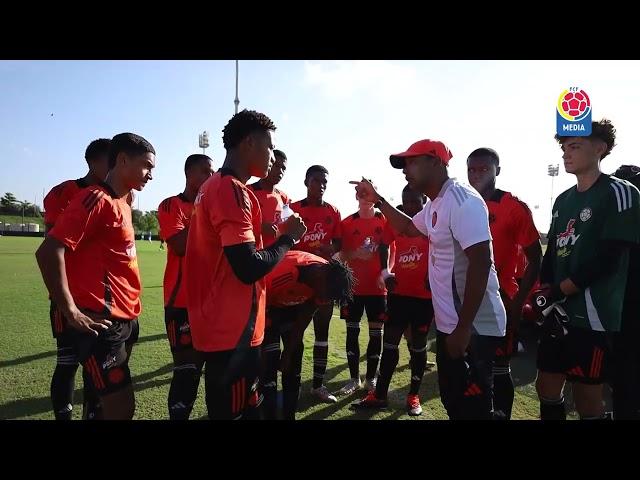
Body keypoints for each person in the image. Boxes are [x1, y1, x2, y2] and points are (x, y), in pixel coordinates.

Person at [351, 138, 506, 420]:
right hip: (454, 324)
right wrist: (379, 200)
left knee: (474, 409)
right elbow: (409, 228)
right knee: (453, 401)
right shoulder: (437, 203)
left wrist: (463, 328)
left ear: (436, 163)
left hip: (474, 327)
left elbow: (481, 264)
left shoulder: (462, 200)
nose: (405, 170)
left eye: (411, 162)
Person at [185, 109, 306, 420]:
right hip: (233, 331)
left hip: (222, 326)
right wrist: (288, 239)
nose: (272, 157)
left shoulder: (213, 185)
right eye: (269, 147)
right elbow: (248, 267)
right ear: (249, 143)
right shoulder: (231, 188)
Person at [36, 132, 156, 419]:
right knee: (120, 408)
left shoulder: (123, 202)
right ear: (123, 160)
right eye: (147, 166)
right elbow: (49, 251)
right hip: (103, 323)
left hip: (125, 318)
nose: (151, 175)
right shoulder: (95, 198)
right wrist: (71, 312)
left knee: (101, 405)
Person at [534, 120, 640, 420]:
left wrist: (559, 290)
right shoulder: (564, 200)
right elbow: (553, 252)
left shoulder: (621, 192)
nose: (566, 154)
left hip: (594, 318)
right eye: (565, 147)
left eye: (575, 146)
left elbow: (611, 258)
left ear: (599, 148)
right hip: (558, 311)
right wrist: (546, 292)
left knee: (587, 397)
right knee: (547, 386)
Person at [467, 147, 542, 419]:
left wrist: (518, 304)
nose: (476, 174)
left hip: (500, 300)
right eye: (471, 169)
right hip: (465, 300)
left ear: (497, 170)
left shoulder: (512, 207)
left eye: (483, 169)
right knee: (469, 367)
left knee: (499, 368)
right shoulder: (462, 202)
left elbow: (536, 259)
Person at [42, 138, 111, 420]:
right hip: (69, 297)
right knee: (67, 363)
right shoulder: (63, 193)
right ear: (94, 162)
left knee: (97, 368)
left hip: (103, 299)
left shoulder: (121, 196)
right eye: (112, 159)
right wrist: (64, 301)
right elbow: (51, 245)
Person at [351, 185, 432, 415]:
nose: (410, 206)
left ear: (424, 199)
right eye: (406, 202)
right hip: (399, 295)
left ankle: (413, 395)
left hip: (424, 298)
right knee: (390, 344)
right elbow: (385, 244)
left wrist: (434, 275)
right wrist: (386, 272)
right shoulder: (396, 222)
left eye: (415, 201)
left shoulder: (432, 220)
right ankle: (380, 395)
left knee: (418, 347)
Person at [262, 250, 353, 419]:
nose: (325, 300)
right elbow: (255, 302)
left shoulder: (325, 282)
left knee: (294, 358)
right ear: (320, 276)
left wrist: (288, 353)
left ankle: (289, 415)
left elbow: (303, 320)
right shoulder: (283, 271)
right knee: (269, 359)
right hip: (266, 305)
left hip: (290, 307)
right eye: (325, 295)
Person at [158, 154, 213, 419]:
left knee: (213, 370)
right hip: (181, 303)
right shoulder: (171, 205)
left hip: (212, 303)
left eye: (212, 172)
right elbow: (180, 245)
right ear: (189, 174)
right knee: (187, 371)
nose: (210, 176)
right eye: (205, 171)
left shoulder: (213, 208)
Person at [290, 165, 342, 403]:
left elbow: (339, 242)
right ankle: (292, 382)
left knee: (322, 333)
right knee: (293, 333)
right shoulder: (293, 209)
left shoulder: (333, 211)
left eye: (324, 182)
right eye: (316, 180)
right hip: (297, 281)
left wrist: (332, 248)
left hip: (324, 282)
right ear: (306, 181)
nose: (320, 185)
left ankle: (318, 386)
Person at [337, 192, 389, 395]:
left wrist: (385, 273)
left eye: (370, 194)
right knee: (352, 332)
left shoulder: (384, 220)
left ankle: (371, 379)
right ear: (357, 197)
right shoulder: (347, 223)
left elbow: (391, 250)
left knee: (377, 334)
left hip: (377, 288)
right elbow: (341, 254)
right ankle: (353, 379)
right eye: (362, 195)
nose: (366, 198)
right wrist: (356, 253)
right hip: (353, 288)